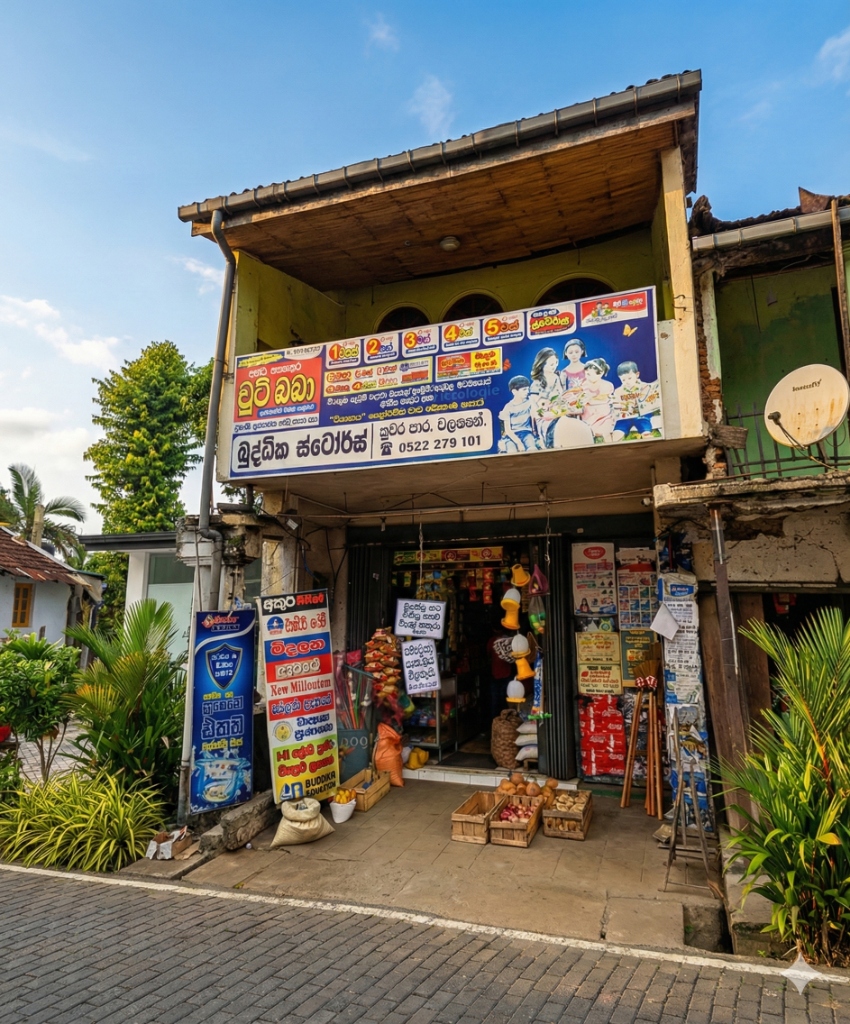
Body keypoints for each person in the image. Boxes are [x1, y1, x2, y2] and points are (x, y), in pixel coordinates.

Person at [612, 361, 661, 440]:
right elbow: (616, 405)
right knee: (617, 432)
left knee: (645, 429)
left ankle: (647, 437)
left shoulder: (645, 387)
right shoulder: (619, 391)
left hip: (642, 416)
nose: (627, 382)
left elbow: (650, 401)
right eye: (623, 380)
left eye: (629, 378)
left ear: (637, 374)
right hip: (625, 417)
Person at [529, 347, 564, 448]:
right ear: (542, 365)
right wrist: (546, 413)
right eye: (551, 364)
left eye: (556, 363)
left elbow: (560, 396)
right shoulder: (536, 383)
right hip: (543, 416)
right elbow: (535, 407)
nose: (555, 366)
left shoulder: (556, 377)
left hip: (557, 412)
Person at [578, 357, 615, 442]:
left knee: (605, 431)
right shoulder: (584, 384)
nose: (586, 376)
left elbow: (604, 398)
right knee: (586, 432)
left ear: (600, 373)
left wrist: (590, 399)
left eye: (589, 374)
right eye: (586, 374)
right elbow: (581, 396)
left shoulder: (606, 385)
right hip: (588, 414)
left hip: (603, 414)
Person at [498, 376, 537, 453]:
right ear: (514, 392)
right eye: (524, 389)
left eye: (528, 389)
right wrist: (519, 443)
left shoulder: (529, 402)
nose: (527, 392)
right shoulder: (508, 407)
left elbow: (536, 414)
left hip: (526, 433)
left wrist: (532, 401)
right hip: (511, 436)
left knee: (532, 449)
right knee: (512, 451)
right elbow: (508, 430)